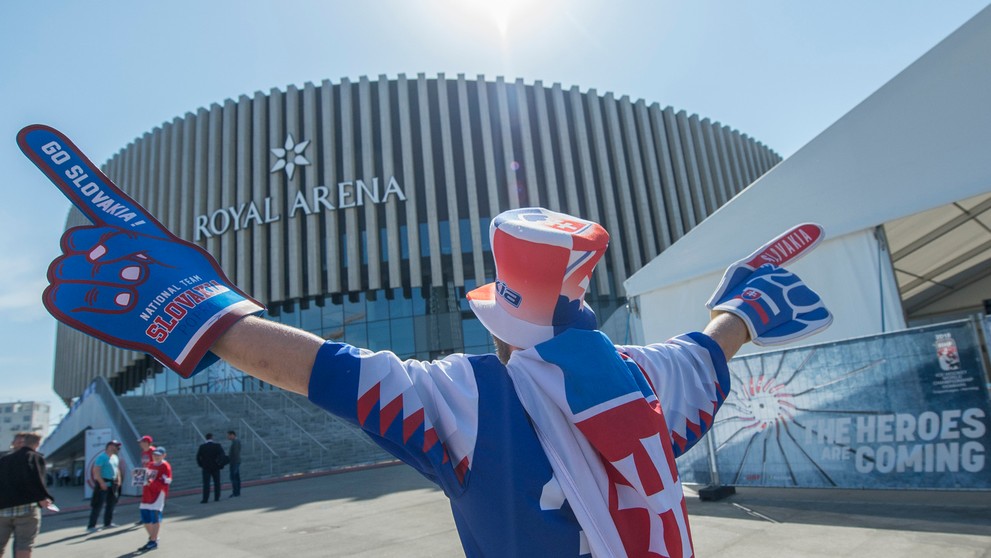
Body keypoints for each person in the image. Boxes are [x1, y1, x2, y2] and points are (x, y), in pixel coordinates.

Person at [23, 138, 833, 558]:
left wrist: (199, 307)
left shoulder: (473, 395)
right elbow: (711, 344)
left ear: (499, 323)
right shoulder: (648, 377)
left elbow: (313, 366)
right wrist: (745, 305)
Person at [0, 432, 54, 558]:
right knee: (24, 545)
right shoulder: (33, 457)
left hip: (3, 510)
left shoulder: (3, 460)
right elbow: (36, 479)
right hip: (27, 508)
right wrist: (43, 497)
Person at [137, 447, 172, 552]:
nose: (156, 456)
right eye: (154, 454)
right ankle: (153, 538)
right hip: (147, 494)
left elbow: (166, 482)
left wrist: (151, 482)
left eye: (158, 455)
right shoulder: (150, 464)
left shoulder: (165, 466)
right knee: (145, 517)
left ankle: (153, 540)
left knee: (154, 516)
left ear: (164, 455)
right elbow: (145, 477)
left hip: (157, 494)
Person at [86, 440, 122, 533]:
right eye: (116, 446)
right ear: (110, 446)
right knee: (98, 504)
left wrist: (118, 479)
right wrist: (101, 483)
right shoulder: (101, 457)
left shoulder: (115, 457)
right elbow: (96, 471)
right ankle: (91, 526)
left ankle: (107, 523)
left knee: (111, 503)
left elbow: (117, 469)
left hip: (113, 483)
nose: (118, 448)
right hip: (103, 481)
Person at [195, 434, 226, 503]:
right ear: (212, 438)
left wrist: (201, 465)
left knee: (206, 484)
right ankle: (217, 497)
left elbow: (198, 457)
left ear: (206, 438)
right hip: (215, 467)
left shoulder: (202, 447)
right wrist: (219, 463)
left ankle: (205, 499)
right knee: (217, 482)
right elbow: (222, 455)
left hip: (206, 467)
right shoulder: (217, 446)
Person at [226, 431, 241, 498]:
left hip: (234, 462)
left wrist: (232, 461)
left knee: (233, 477)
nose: (228, 437)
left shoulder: (235, 442)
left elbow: (235, 453)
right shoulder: (235, 442)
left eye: (228, 435)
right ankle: (237, 491)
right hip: (235, 462)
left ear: (232, 435)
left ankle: (236, 492)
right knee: (236, 477)